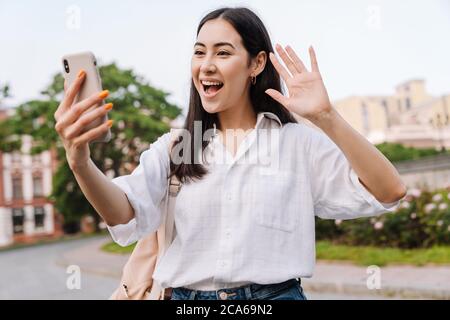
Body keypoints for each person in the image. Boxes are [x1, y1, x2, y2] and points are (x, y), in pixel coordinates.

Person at [54, 7, 407, 300]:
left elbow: (388, 190)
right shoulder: (177, 146)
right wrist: (80, 162)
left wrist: (326, 117)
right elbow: (124, 213)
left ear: (256, 64)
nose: (206, 64)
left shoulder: (296, 143)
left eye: (223, 52)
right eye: (199, 52)